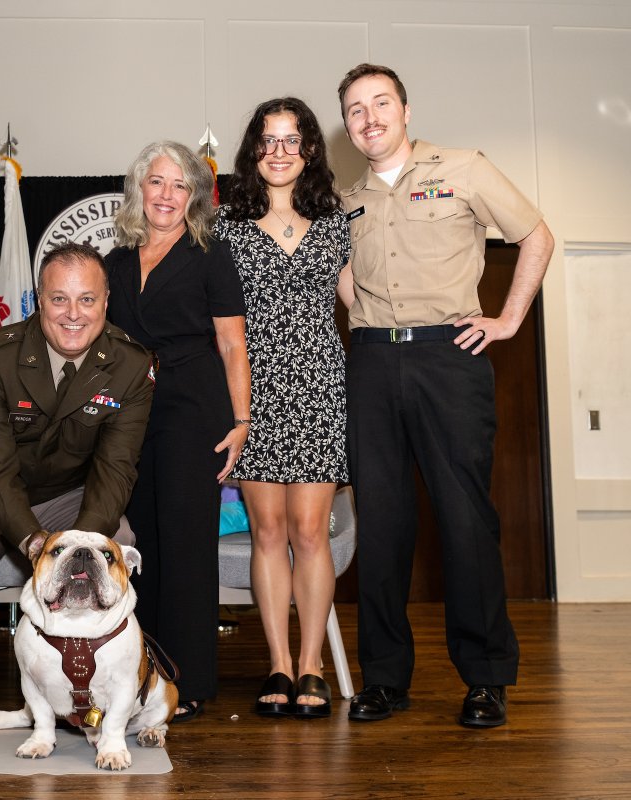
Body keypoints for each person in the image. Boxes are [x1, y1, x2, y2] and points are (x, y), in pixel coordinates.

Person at [337, 63, 554, 728]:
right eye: (354, 110)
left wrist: (508, 319)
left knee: (465, 523)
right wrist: (363, 319)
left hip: (448, 357)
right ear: (346, 124)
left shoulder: (464, 167)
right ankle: (383, 680)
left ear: (404, 109)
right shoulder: (347, 197)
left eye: (380, 103)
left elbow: (536, 236)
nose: (369, 118)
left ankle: (487, 678)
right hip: (372, 364)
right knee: (381, 529)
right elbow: (346, 279)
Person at [0, 242, 155, 717]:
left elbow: (115, 468)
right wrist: (36, 543)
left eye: (87, 300)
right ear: (38, 300)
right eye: (59, 299)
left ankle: (89, 668)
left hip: (67, 494)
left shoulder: (131, 365)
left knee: (120, 540)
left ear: (106, 302)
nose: (74, 314)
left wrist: (83, 543)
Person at [213, 99, 352, 719]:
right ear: (253, 151)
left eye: (291, 141)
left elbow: (364, 302)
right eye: (267, 141)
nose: (278, 152)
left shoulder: (337, 223)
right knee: (267, 533)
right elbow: (216, 327)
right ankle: (277, 662)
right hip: (253, 395)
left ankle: (313, 665)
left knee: (310, 533)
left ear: (311, 150)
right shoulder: (226, 228)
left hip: (321, 390)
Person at [105, 140, 251, 722]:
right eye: (156, 183)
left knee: (187, 543)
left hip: (194, 408)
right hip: (132, 413)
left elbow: (233, 343)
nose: (166, 195)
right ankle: (143, 673)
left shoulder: (210, 254)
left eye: (178, 186)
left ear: (194, 196)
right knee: (145, 546)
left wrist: (242, 420)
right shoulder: (115, 261)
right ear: (140, 189)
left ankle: (186, 681)